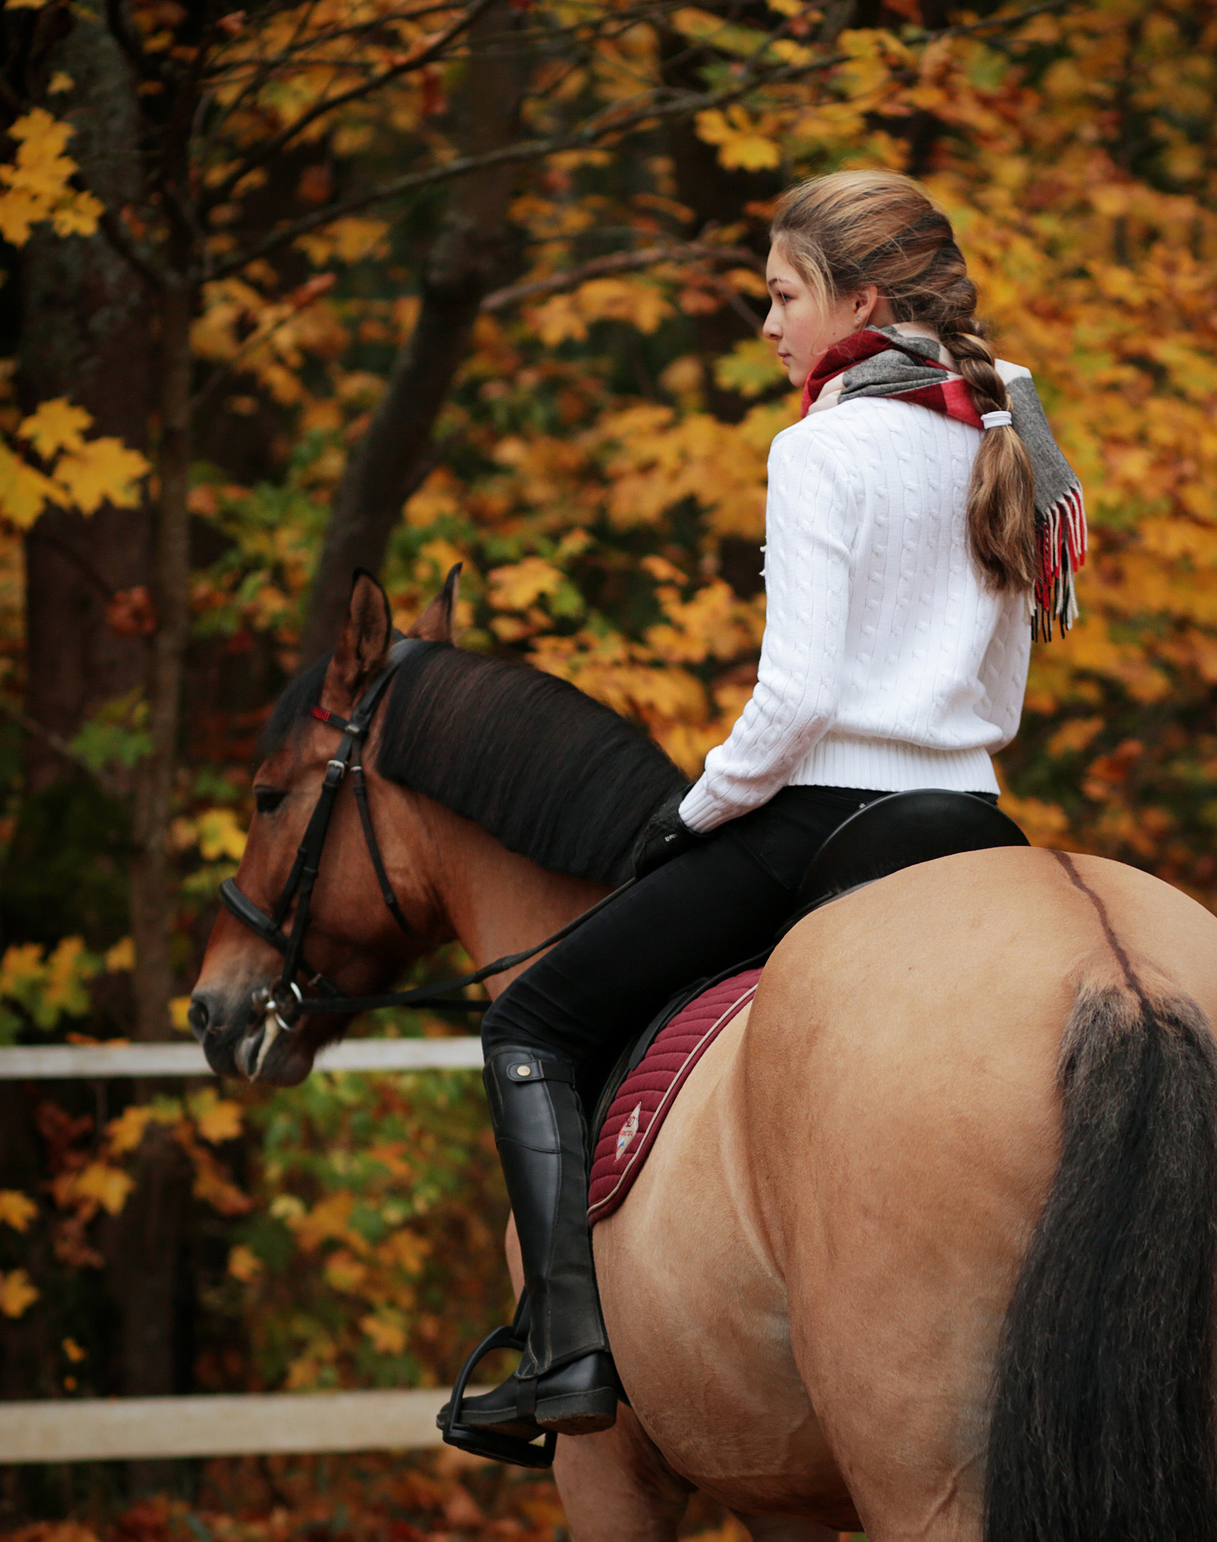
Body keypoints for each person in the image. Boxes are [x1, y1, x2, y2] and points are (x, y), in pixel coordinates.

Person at [438, 169, 1086, 1459]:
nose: (771, 325)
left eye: (787, 296)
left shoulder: (820, 449)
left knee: (530, 1020)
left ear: (864, 301)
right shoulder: (1000, 436)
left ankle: (566, 1353)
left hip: (823, 822)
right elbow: (1001, 699)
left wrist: (694, 812)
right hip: (971, 822)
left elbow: (795, 703)